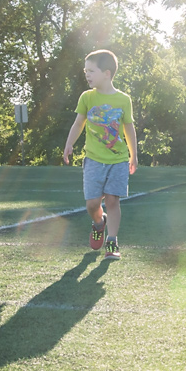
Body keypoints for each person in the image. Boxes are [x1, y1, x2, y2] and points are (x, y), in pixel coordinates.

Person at [63, 49, 138, 260]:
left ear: (106, 73)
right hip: (94, 160)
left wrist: (134, 155)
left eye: (91, 71)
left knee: (113, 200)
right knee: (92, 204)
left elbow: (129, 128)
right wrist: (69, 144)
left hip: (118, 160)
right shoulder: (87, 97)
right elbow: (79, 123)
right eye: (85, 70)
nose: (86, 74)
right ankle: (99, 223)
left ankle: (112, 242)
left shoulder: (123, 100)